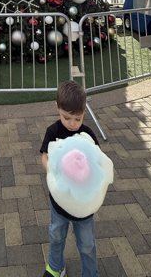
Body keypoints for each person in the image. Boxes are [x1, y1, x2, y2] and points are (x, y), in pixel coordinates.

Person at [40, 81, 99, 277]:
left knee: (87, 243)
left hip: (83, 203)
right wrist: (52, 169)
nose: (72, 123)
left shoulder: (87, 134)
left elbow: (97, 162)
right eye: (66, 117)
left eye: (77, 118)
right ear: (57, 107)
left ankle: (90, 273)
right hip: (59, 200)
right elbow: (44, 156)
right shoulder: (54, 131)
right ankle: (56, 267)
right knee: (56, 234)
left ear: (84, 112)